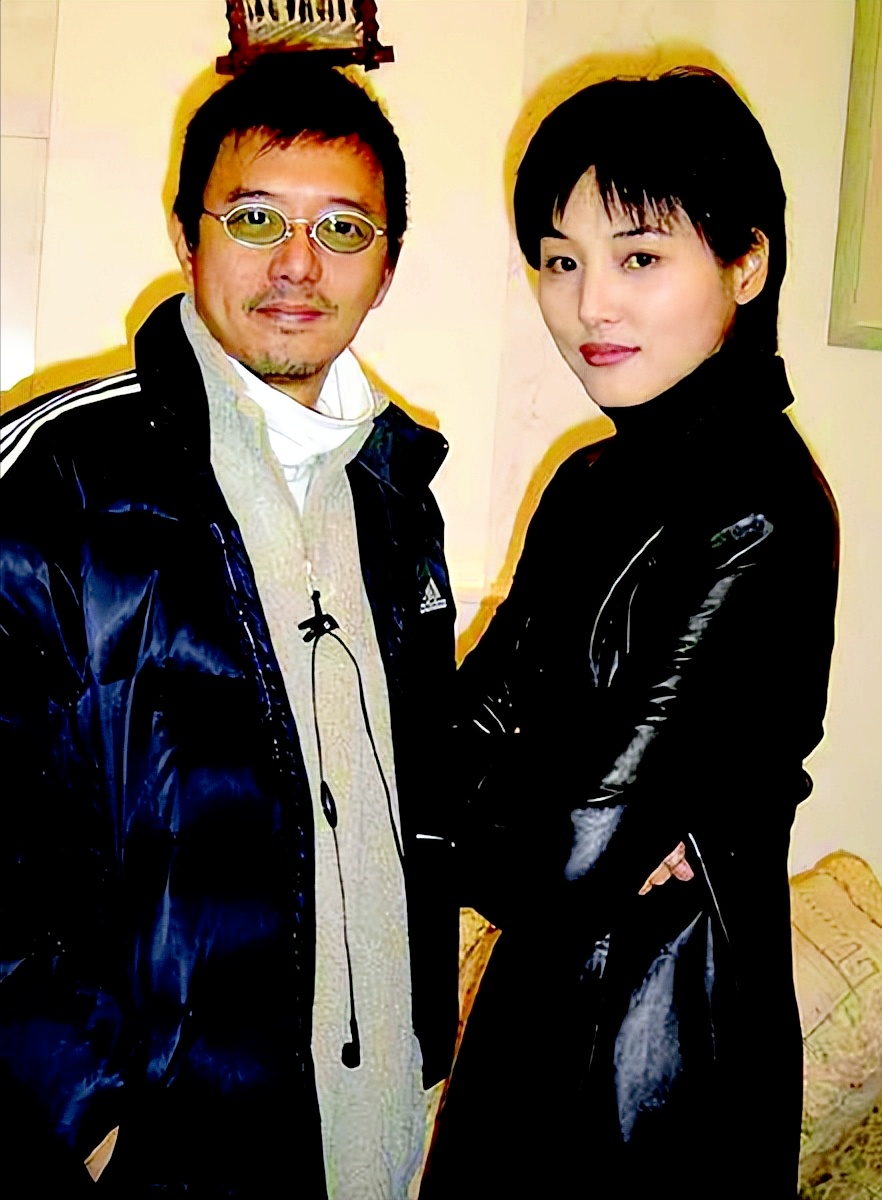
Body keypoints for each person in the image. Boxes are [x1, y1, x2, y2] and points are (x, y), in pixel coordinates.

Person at [0, 58, 458, 1198]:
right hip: (155, 1148)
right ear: (185, 235)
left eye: (342, 229)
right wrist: (93, 1117)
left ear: (389, 263)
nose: (298, 264)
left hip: (374, 1132)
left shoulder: (399, 498)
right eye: (256, 218)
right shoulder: (59, 480)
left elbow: (425, 787)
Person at [423, 68, 838, 1199]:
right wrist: (548, 810)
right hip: (534, 1020)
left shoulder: (759, 510)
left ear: (746, 263)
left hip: (662, 1066)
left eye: (639, 258)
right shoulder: (590, 482)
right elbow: (446, 743)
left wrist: (541, 813)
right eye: (561, 261)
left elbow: (565, 860)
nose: (589, 306)